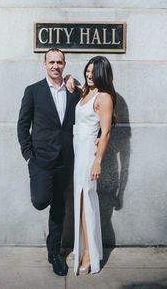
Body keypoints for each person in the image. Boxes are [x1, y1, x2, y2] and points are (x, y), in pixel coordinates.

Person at [17, 48, 81, 276]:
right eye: (51, 62)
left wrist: (77, 80)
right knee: (40, 201)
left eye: (59, 62)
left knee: (59, 208)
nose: (55, 66)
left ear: (65, 65)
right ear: (45, 64)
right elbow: (23, 124)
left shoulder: (75, 91)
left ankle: (54, 252)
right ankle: (52, 244)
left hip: (66, 159)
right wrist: (28, 154)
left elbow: (93, 100)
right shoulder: (33, 91)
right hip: (41, 160)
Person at [72, 56, 116, 275]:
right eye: (87, 71)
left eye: (93, 72)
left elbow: (105, 132)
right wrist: (70, 78)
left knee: (85, 202)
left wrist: (97, 161)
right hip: (77, 151)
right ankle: (84, 247)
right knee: (80, 203)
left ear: (102, 74)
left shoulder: (104, 97)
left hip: (89, 153)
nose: (89, 75)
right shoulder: (85, 92)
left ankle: (89, 252)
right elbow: (76, 84)